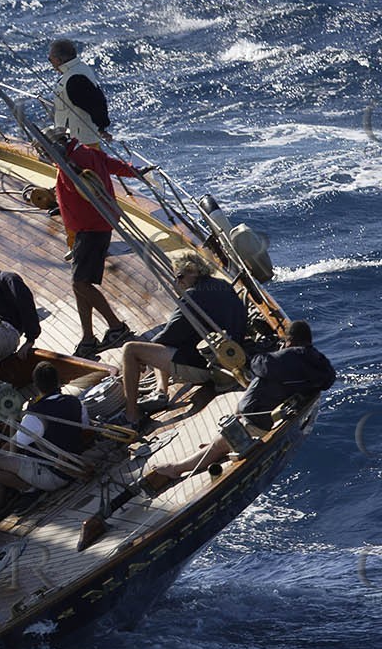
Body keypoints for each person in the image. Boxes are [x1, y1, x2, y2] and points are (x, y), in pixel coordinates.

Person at [149, 321, 335, 482]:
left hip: (255, 424)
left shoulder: (284, 357)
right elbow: (328, 378)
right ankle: (219, 445)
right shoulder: (319, 361)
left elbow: (257, 365)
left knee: (218, 444)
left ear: (289, 340)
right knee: (228, 429)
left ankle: (176, 469)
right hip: (267, 413)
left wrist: (276, 352)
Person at [116, 252, 249, 426]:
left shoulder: (192, 297)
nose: (177, 281)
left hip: (209, 366)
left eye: (179, 276)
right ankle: (160, 390)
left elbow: (170, 335)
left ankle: (131, 415)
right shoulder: (222, 285)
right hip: (233, 356)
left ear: (193, 272)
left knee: (131, 350)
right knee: (161, 342)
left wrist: (142, 360)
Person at [0, 362, 90, 543]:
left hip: (53, 476)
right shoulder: (75, 402)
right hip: (75, 465)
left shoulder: (35, 415)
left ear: (36, 386)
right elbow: (85, 428)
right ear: (58, 381)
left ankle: (29, 491)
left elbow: (12, 450)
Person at [51, 128, 141, 359]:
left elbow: (79, 187)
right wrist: (137, 172)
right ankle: (88, 338)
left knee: (81, 284)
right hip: (95, 226)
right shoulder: (87, 152)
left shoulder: (70, 163)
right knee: (78, 284)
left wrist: (65, 170)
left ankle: (116, 328)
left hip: (90, 229)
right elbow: (112, 165)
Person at [48, 38, 111, 147]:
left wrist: (102, 127)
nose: (51, 62)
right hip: (75, 142)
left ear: (58, 60)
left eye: (50, 59)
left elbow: (96, 104)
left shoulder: (75, 79)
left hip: (81, 145)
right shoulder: (78, 69)